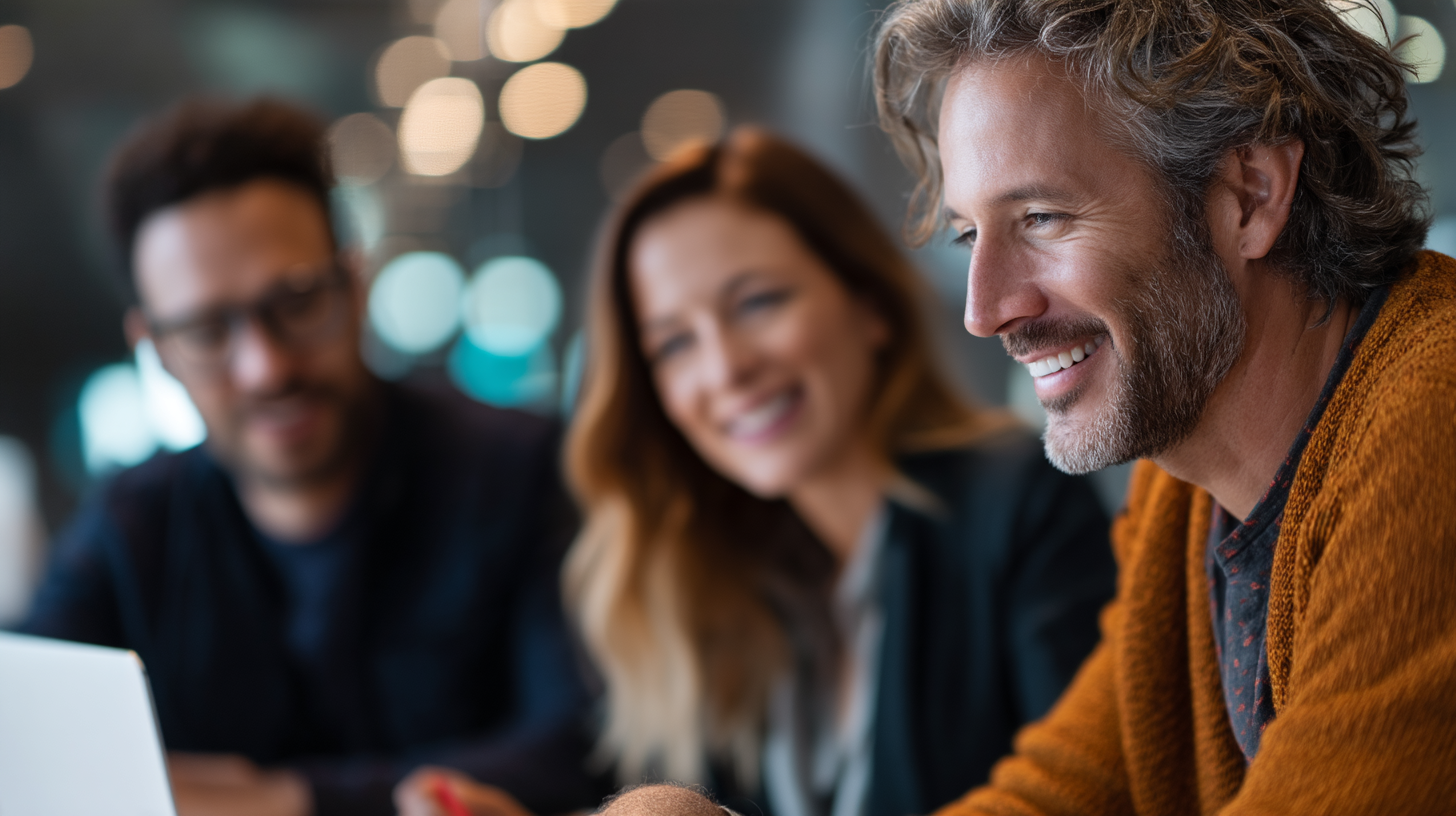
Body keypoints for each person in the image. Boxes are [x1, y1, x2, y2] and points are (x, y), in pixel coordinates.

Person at [397, 128, 1116, 816]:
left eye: (757, 303)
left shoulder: (1017, 504)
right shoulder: (704, 580)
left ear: (869, 306)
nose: (725, 369)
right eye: (674, 344)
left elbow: (1096, 799)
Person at [870, 0, 1456, 812]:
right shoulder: (1182, 486)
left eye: (1041, 218)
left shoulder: (1434, 425)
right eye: (971, 234)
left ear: (1249, 196)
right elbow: (1067, 790)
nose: (984, 310)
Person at [20, 98, 596, 816]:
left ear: (355, 287)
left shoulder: (521, 470)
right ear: (156, 348)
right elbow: (27, 740)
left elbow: (582, 747)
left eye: (295, 302)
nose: (265, 367)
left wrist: (284, 799)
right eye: (206, 329)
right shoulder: (131, 527)